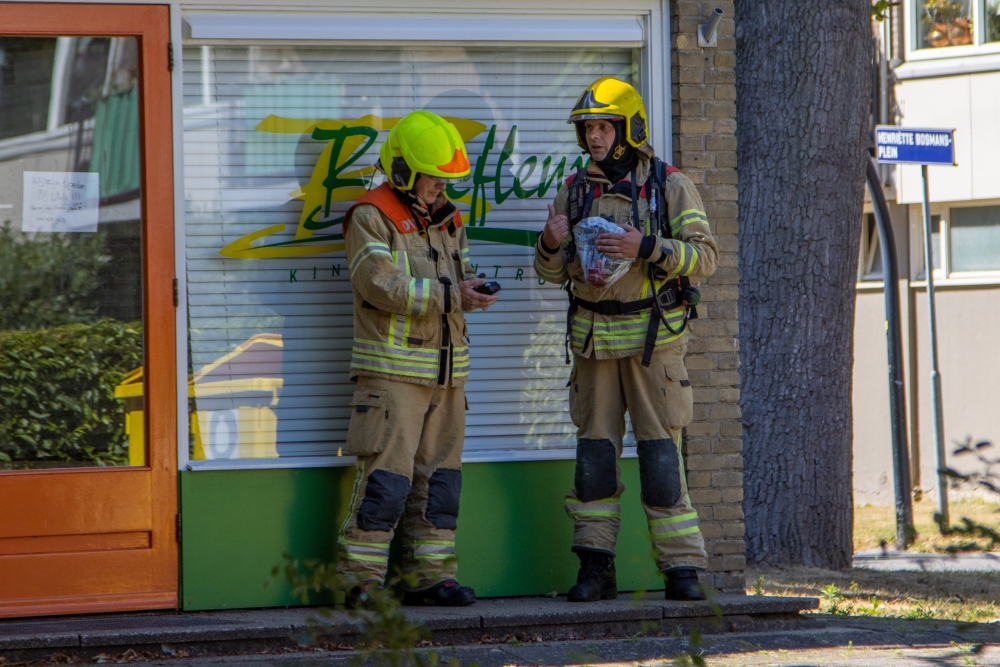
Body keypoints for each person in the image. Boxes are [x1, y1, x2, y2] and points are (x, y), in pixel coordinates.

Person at [534, 77, 719, 602]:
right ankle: (595, 568)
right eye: (587, 128)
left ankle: (681, 569)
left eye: (603, 127)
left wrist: (648, 247)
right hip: (594, 345)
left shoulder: (669, 185)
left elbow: (706, 257)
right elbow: (551, 273)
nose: (594, 137)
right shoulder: (573, 189)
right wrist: (549, 244)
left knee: (661, 460)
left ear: (629, 129)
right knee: (594, 462)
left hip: (653, 343)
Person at [338, 110, 498, 607]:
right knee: (386, 482)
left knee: (441, 484)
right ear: (404, 170)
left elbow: (457, 275)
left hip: (448, 375)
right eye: (434, 178)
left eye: (446, 180)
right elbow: (380, 285)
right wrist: (454, 296)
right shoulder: (370, 215)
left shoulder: (448, 217)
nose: (441, 188)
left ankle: (431, 578)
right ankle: (361, 582)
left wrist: (472, 288)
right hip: (393, 375)